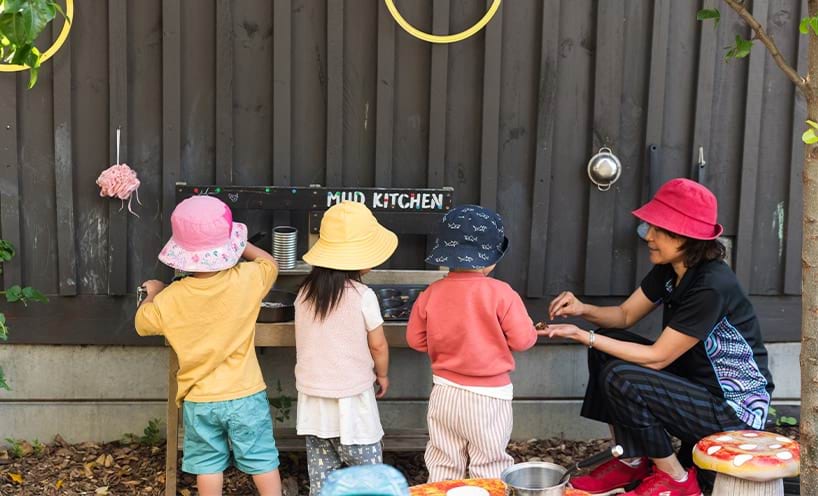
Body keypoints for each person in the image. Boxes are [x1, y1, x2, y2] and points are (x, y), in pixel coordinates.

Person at [543, 178, 774, 496]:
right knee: (608, 345)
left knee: (619, 373)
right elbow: (625, 315)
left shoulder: (711, 285)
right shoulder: (672, 268)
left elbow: (659, 357)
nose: (648, 237)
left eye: (658, 229)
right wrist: (582, 309)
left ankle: (677, 480)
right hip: (697, 389)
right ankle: (632, 459)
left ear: (685, 236)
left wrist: (585, 337)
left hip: (734, 413)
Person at [135, 195, 282, 496]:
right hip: (245, 394)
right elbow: (270, 263)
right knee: (261, 458)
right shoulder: (247, 279)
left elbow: (142, 323)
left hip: (199, 398)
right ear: (229, 247)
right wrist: (242, 244)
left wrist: (154, 291)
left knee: (208, 464)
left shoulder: (172, 298)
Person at [407, 205, 539, 481]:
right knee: (488, 464)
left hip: (444, 394)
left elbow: (415, 340)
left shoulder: (432, 293)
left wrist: (444, 345)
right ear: (491, 257)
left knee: (443, 462)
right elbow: (524, 340)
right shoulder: (501, 294)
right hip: (489, 398)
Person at [293, 201, 398, 495]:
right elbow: (378, 345)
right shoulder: (363, 295)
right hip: (354, 409)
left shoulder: (303, 294)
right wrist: (384, 374)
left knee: (323, 483)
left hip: (313, 406)